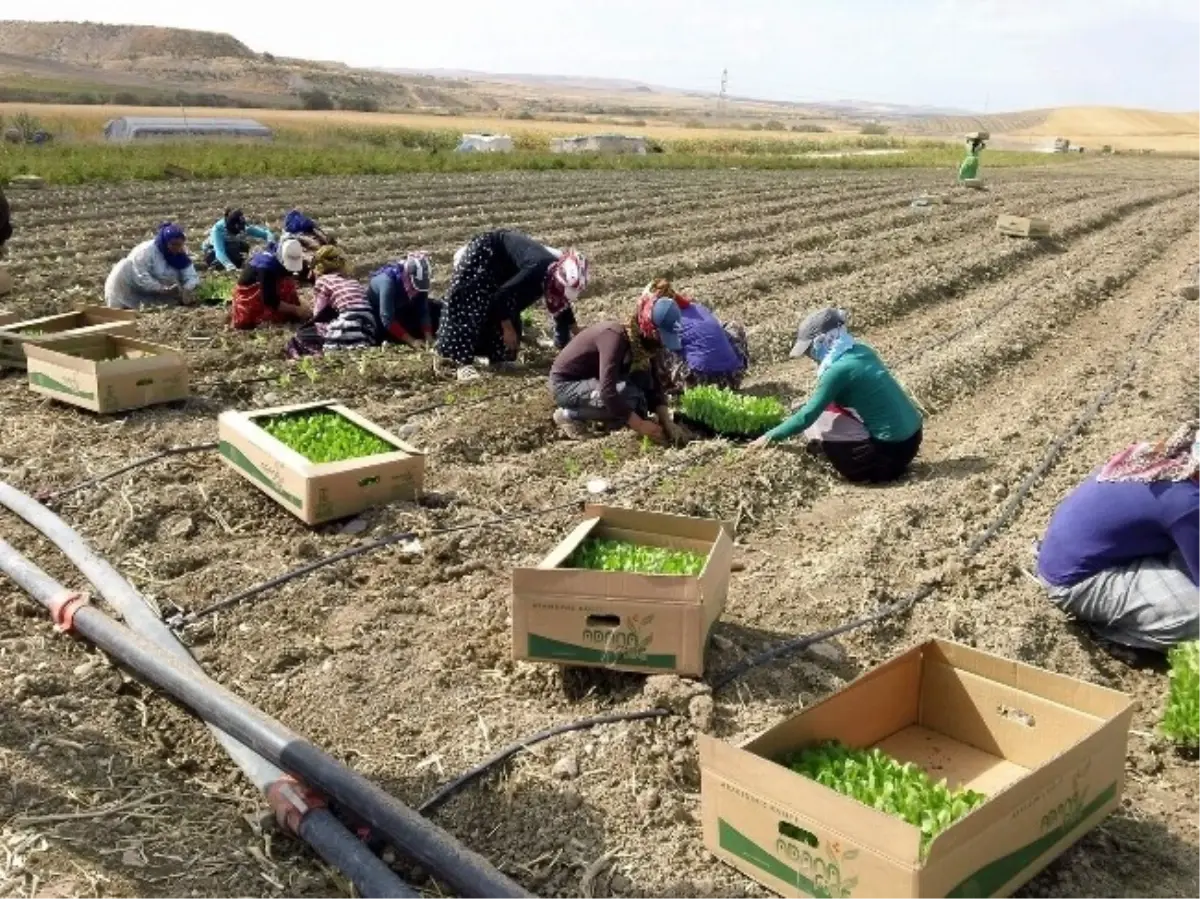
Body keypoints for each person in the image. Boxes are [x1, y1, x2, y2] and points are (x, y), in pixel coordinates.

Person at [1036, 423, 1200, 652]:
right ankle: (1114, 636)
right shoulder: (1188, 504)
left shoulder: (1169, 460)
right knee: (1195, 618)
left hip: (1086, 552)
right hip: (1076, 580)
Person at [748, 308, 923, 483]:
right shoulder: (862, 350)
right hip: (912, 443)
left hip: (883, 460)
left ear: (823, 341)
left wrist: (767, 437)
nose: (810, 356)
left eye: (810, 350)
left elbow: (807, 416)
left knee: (817, 421)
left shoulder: (837, 371)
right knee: (831, 407)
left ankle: (843, 458)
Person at [438, 229, 587, 379]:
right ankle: (461, 363)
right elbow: (501, 296)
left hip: (504, 266)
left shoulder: (553, 275)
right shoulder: (538, 268)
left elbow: (561, 303)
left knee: (509, 307)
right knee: (470, 302)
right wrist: (507, 329)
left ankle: (498, 359)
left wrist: (576, 331)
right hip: (487, 253)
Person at [549, 291, 684, 444]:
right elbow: (608, 392)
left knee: (641, 389)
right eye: (662, 336)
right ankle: (569, 415)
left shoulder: (648, 346)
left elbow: (655, 385)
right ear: (649, 328)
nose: (663, 343)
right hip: (567, 385)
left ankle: (609, 418)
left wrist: (666, 421)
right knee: (628, 399)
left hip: (595, 380)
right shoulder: (615, 337)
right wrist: (639, 424)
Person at [641, 278, 749, 395]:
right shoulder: (698, 308)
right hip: (732, 380)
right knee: (731, 328)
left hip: (701, 385)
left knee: (656, 342)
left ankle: (666, 391)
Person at [286, 246, 377, 358]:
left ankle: (315, 355)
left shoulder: (323, 281)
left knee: (298, 337)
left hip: (347, 326)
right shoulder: (352, 281)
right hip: (368, 328)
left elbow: (317, 314)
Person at [104, 223, 200, 310]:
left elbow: (191, 275)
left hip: (156, 295)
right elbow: (141, 276)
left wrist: (188, 288)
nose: (177, 248)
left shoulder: (181, 253)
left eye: (180, 244)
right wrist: (161, 289)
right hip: (131, 290)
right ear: (165, 242)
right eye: (173, 244)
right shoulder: (146, 251)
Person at [230, 239, 308, 330]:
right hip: (249, 297)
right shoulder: (266, 267)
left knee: (288, 283)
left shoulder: (278, 253)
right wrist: (296, 310)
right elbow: (270, 300)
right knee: (286, 286)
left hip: (267, 287)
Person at [367, 253, 441, 349]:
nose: (417, 290)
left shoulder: (421, 284)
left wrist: (428, 335)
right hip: (382, 317)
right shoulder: (388, 282)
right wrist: (412, 341)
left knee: (437, 309)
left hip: (403, 309)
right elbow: (387, 318)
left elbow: (423, 309)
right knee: (381, 332)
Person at [202, 208, 273, 271]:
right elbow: (219, 251)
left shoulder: (242, 225)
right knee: (232, 253)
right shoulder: (218, 230)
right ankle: (218, 264)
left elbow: (265, 233)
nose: (241, 231)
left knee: (244, 247)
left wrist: (271, 242)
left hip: (231, 244)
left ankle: (237, 261)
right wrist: (229, 266)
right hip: (212, 250)